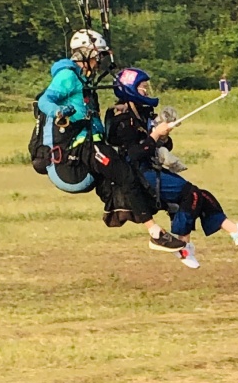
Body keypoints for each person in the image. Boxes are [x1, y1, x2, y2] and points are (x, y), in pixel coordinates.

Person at [35, 32, 188, 252]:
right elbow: (44, 100)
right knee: (125, 173)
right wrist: (58, 112)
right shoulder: (67, 76)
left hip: (92, 141)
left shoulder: (82, 78)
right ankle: (155, 233)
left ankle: (165, 213)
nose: (99, 63)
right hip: (81, 146)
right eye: (98, 57)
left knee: (124, 176)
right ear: (86, 54)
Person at [104, 66, 238, 269]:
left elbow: (160, 145)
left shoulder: (141, 114)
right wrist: (154, 136)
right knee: (191, 195)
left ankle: (235, 230)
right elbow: (134, 154)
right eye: (143, 88)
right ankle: (183, 245)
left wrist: (163, 135)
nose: (146, 91)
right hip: (141, 174)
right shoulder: (122, 120)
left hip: (151, 168)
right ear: (130, 89)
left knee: (201, 196)